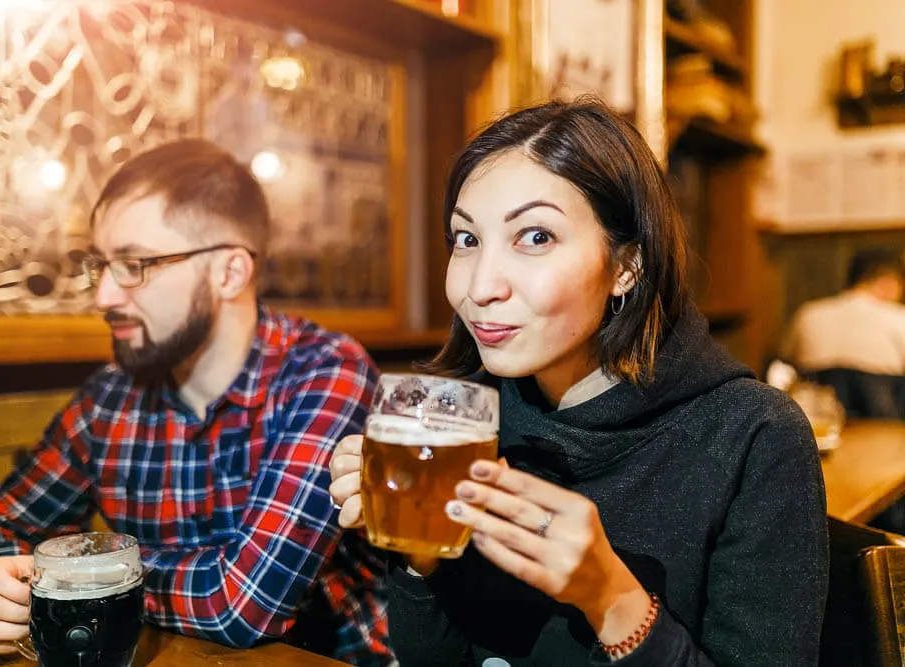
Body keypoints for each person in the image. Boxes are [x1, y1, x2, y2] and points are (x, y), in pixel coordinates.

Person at [329, 98, 828, 665]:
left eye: (535, 237)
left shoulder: (754, 436)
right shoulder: (468, 419)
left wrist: (610, 597)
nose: (481, 285)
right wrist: (419, 555)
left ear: (626, 267)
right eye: (466, 240)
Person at [0, 139, 392, 666]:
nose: (104, 295)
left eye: (135, 263)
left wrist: (78, 576)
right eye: (102, 265)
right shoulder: (111, 398)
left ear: (229, 272)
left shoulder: (323, 371)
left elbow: (243, 604)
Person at [780, 248, 905, 377]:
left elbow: (785, 361)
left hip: (811, 395)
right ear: (887, 281)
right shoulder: (899, 318)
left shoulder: (808, 313)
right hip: (881, 396)